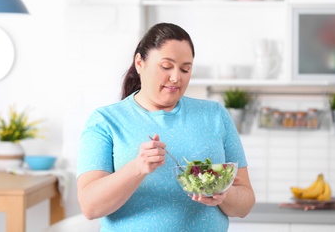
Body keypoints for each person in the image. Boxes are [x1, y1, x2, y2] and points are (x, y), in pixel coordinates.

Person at [76, 22, 255, 231]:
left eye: (185, 69)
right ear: (139, 63)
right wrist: (137, 168)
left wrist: (223, 193)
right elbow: (90, 207)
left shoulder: (215, 116)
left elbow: (245, 203)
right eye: (166, 66)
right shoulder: (106, 121)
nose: (176, 77)